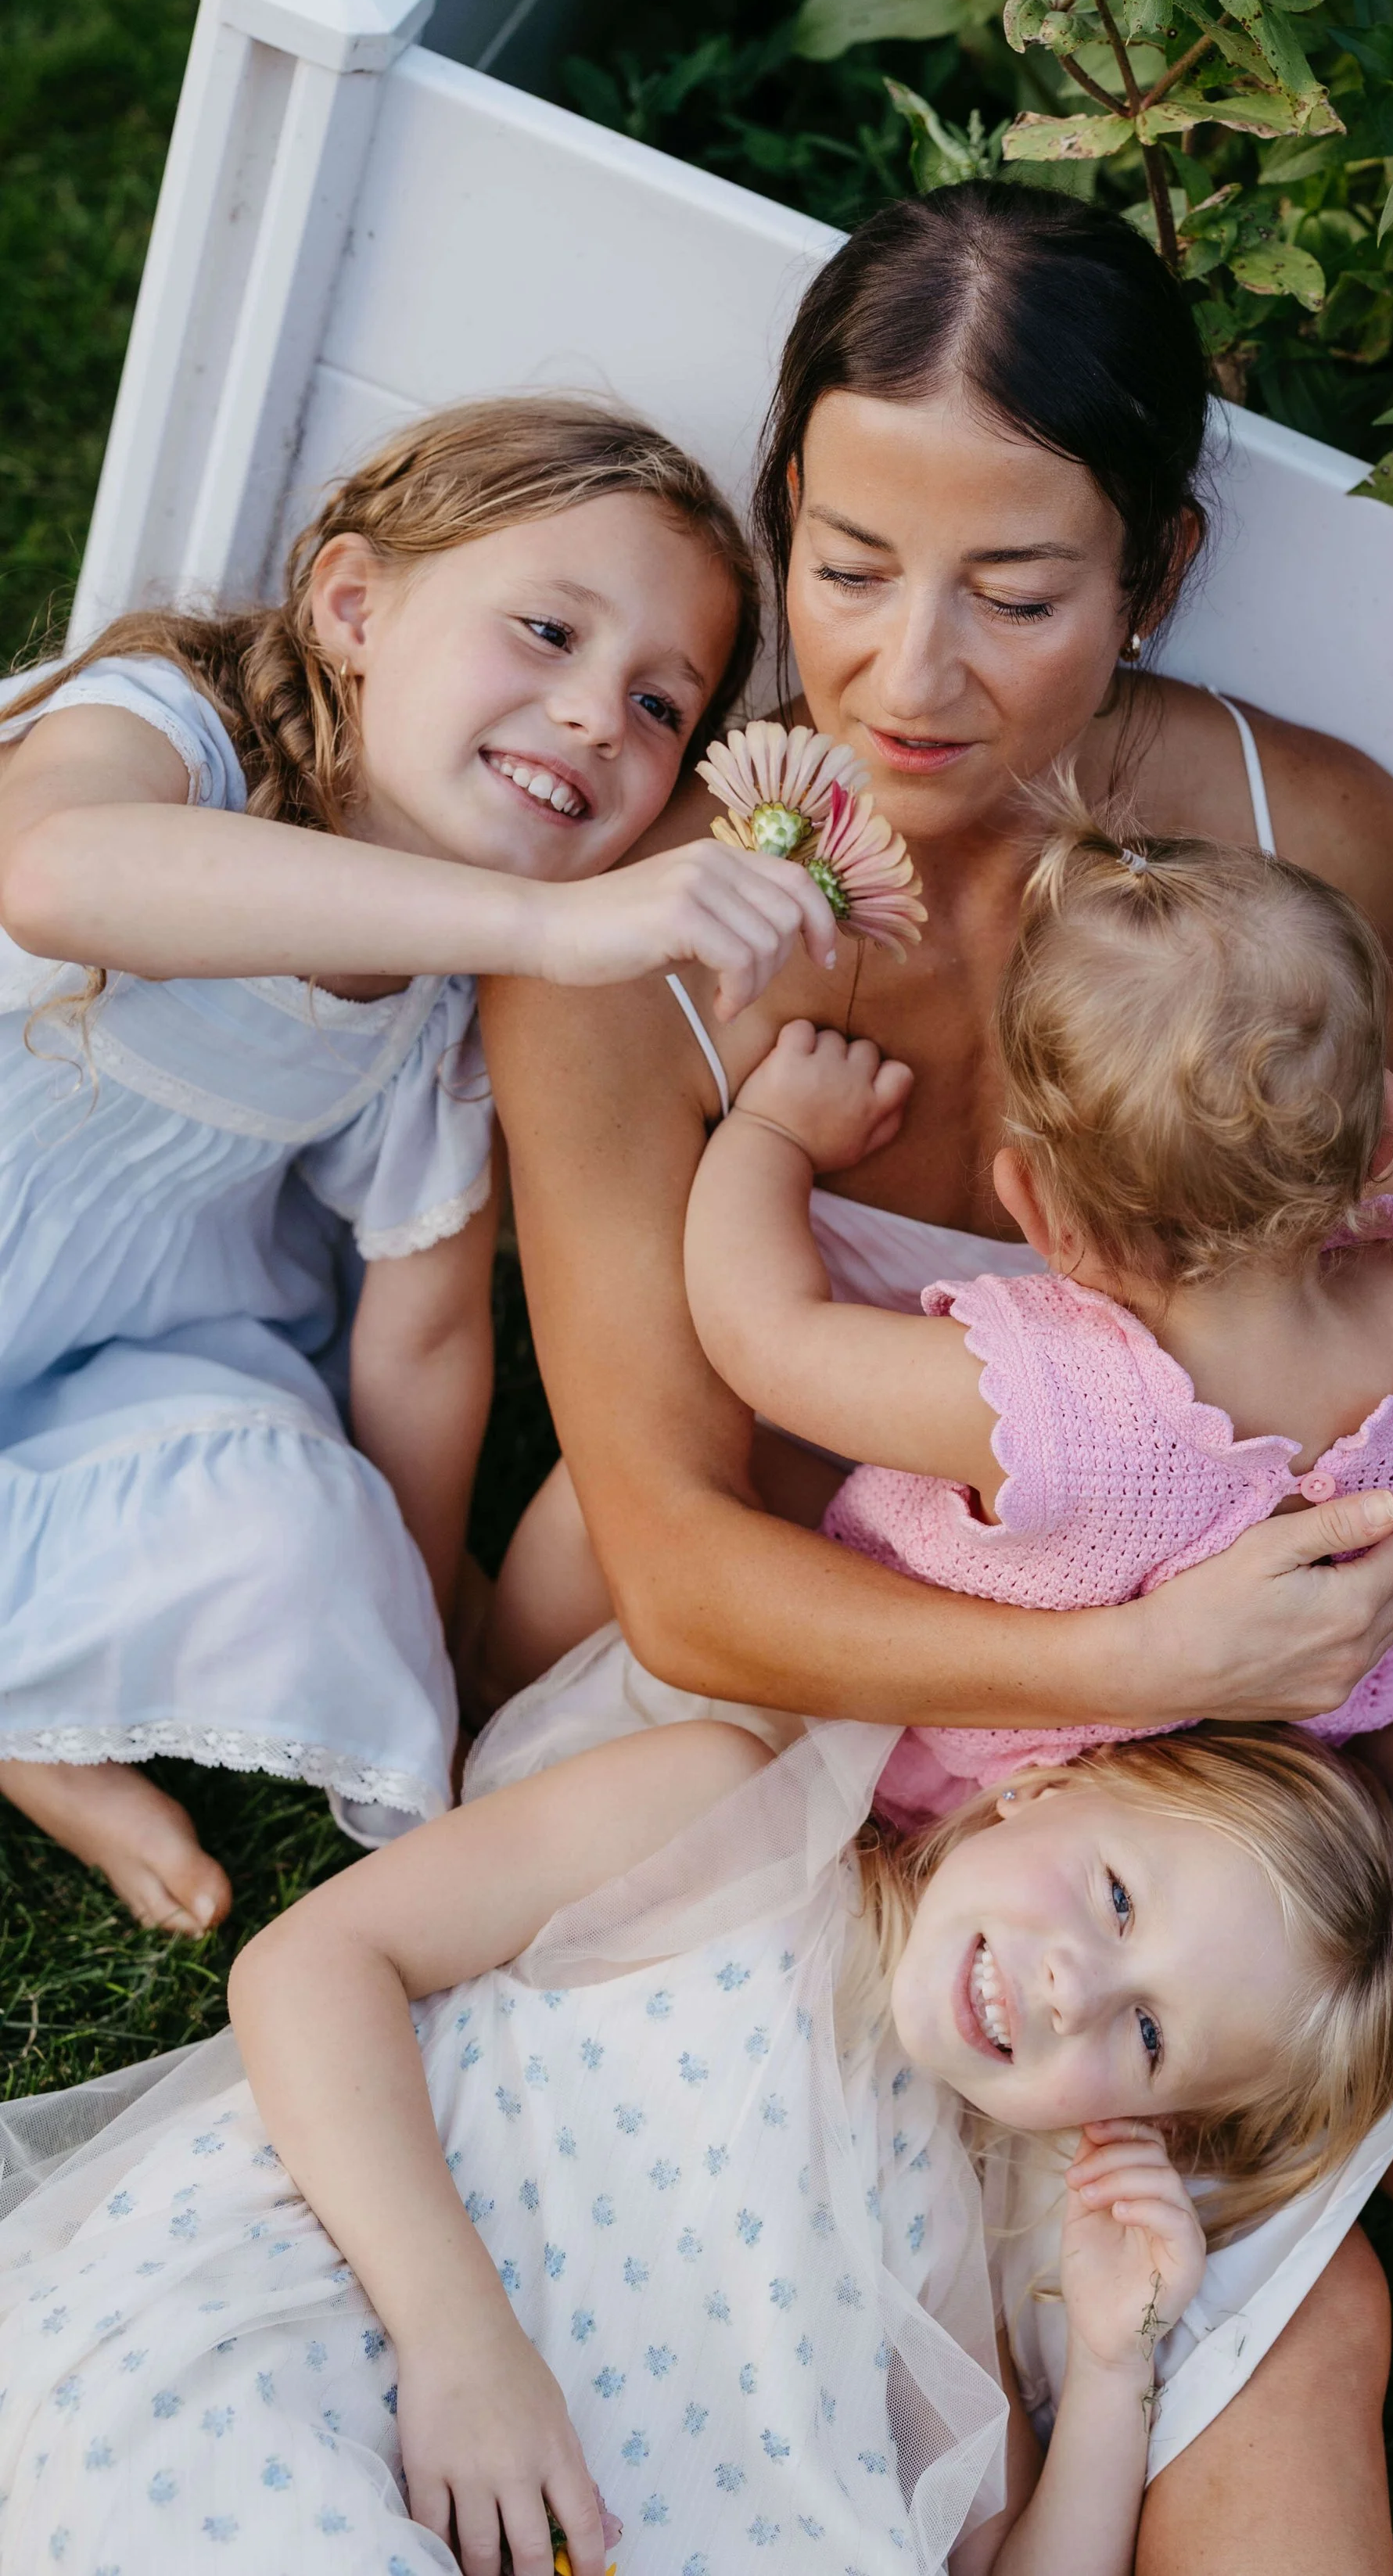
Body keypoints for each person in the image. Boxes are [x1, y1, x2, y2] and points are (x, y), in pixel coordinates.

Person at [476, 185, 1393, 2572]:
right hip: (825, 1745)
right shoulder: (627, 941)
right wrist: (1135, 1655)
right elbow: (673, 1561)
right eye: (843, 561)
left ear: (1152, 568)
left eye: (1016, 592)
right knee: (1284, 2331)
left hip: (1253, 1770)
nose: (904, 670)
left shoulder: (1299, 844)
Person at [0, 397, 837, 1935]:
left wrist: (419, 1613)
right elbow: (52, 878)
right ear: (351, 605)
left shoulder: (440, 1017)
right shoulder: (172, 728)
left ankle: (28, 1699)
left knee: (294, 1538)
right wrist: (555, 928)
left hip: (86, 1364)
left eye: (663, 708)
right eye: (545, 631)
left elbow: (429, 1329)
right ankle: (35, 1721)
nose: (597, 715)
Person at [0, 1711, 1393, 2576]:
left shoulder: (947, 2246)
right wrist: (463, 2346)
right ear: (1050, 1785)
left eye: (1151, 2036)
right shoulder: (726, 1819)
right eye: (1119, 1898)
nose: (1076, 1987)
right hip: (350, 2322)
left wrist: (1115, 2371)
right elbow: (311, 1968)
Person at [682, 799, 1393, 1828]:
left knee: (706, 1482)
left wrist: (773, 1130)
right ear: (1381, 1138)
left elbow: (762, 1335)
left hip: (996, 1778)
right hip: (1265, 1776)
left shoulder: (1035, 1401)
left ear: (1042, 1216)